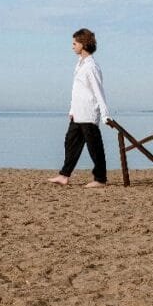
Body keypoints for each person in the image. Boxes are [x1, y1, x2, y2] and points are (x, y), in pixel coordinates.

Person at [48, 28, 111, 188]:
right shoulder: (80, 64)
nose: (72, 46)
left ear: (83, 44)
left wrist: (105, 114)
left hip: (89, 113)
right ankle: (64, 175)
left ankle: (100, 179)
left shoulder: (91, 66)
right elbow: (77, 91)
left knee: (94, 147)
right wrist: (71, 110)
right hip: (77, 113)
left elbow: (99, 91)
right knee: (70, 142)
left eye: (74, 43)